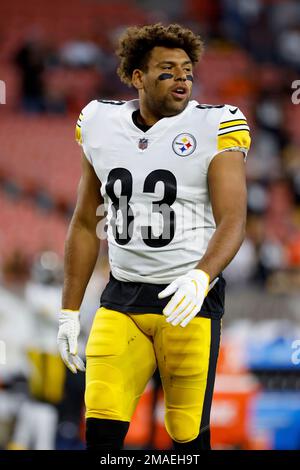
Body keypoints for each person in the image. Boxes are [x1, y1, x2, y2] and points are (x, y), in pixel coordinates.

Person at [57, 23, 251, 451]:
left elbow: (234, 218)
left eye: (187, 70)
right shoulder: (100, 122)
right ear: (137, 77)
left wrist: (201, 277)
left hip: (188, 302)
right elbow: (86, 221)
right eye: (168, 70)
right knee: (102, 430)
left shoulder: (215, 124)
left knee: (185, 437)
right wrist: (69, 310)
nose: (182, 79)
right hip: (121, 299)